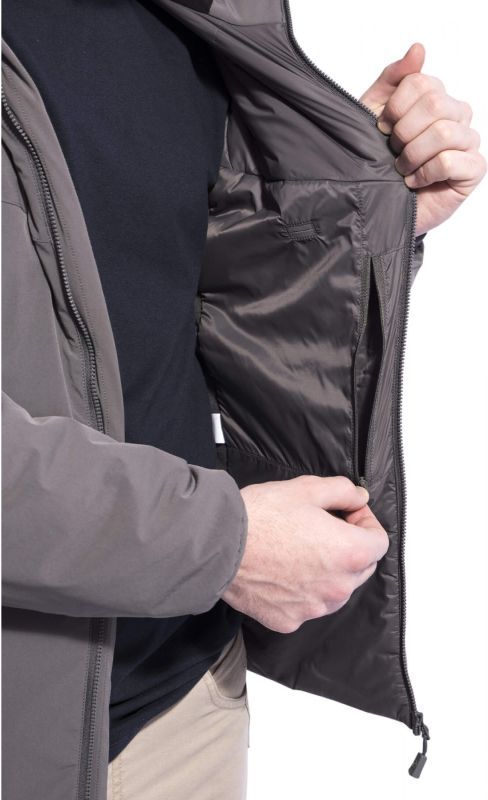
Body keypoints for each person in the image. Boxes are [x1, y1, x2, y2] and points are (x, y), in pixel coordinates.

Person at [2, 1, 485, 799]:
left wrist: (351, 206)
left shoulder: (177, 16)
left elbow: (160, 284)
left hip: (188, 700)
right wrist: (220, 543)